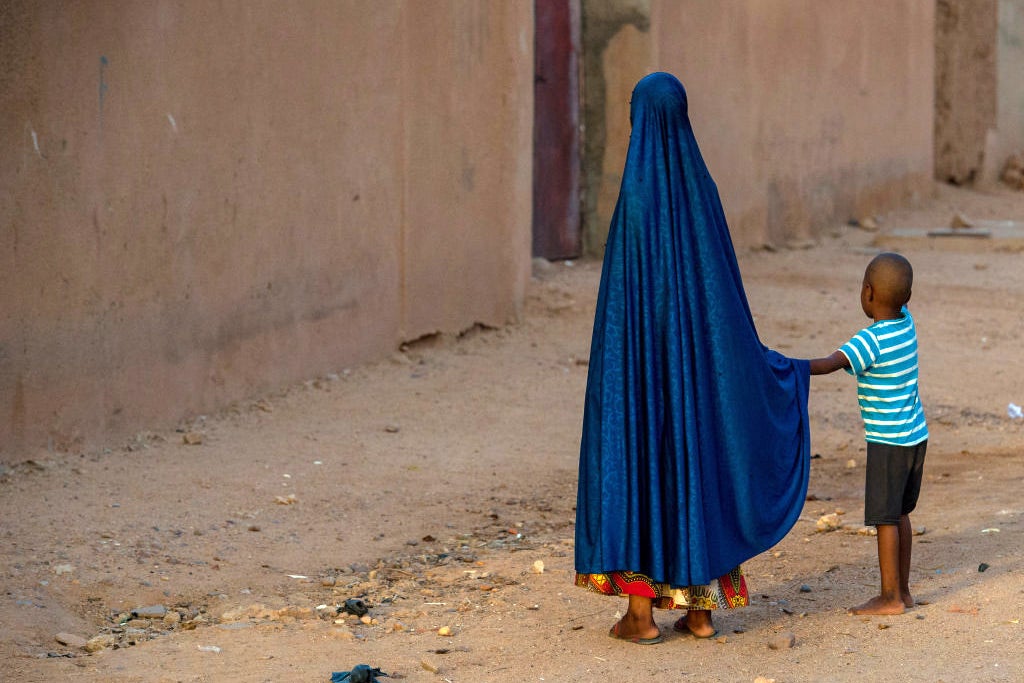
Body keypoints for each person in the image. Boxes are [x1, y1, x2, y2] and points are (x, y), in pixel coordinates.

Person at [574, 72, 812, 644]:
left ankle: (639, 617)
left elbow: (621, 312)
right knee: (702, 461)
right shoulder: (701, 192)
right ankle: (701, 613)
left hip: (638, 376)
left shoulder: (634, 198)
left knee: (636, 461)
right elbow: (723, 299)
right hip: (700, 374)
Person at [803, 252, 928, 615]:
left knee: (885, 519)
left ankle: (889, 598)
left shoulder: (870, 340)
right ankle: (902, 592)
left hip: (888, 443)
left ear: (868, 293)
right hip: (916, 437)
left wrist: (783, 365)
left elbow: (829, 363)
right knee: (901, 514)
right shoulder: (906, 324)